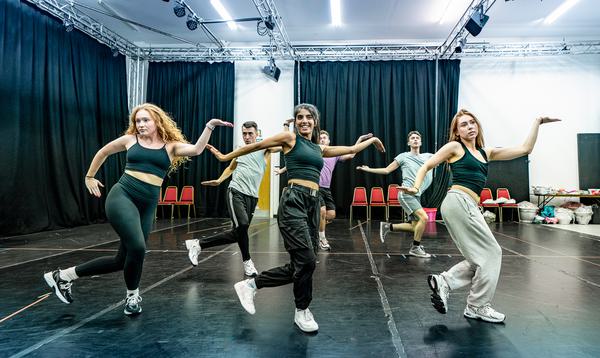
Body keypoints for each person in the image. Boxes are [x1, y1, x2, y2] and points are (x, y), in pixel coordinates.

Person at [207, 103, 385, 332]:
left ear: (315, 120)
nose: (304, 121)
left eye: (308, 117)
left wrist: (371, 141)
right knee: (308, 261)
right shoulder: (289, 139)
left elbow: (350, 148)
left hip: (313, 203)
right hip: (293, 202)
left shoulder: (318, 148)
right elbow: (257, 146)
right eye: (299, 117)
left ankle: (269, 294)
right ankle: (281, 299)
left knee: (303, 265)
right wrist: (224, 158)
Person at [43, 103, 232, 315]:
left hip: (147, 205)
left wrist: (210, 126)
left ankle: (64, 276)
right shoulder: (130, 140)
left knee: (121, 261)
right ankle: (132, 296)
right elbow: (103, 151)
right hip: (122, 196)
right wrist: (89, 176)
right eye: (137, 121)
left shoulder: (170, 146)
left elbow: (197, 149)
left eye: (145, 120)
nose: (140, 124)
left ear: (157, 121)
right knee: (139, 248)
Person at [399, 109, 559, 323]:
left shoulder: (486, 153)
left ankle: (445, 281)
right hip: (458, 200)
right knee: (493, 252)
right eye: (463, 124)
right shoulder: (455, 147)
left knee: (480, 259)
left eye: (472, 122)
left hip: (468, 205)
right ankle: (477, 306)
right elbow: (428, 165)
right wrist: (415, 187)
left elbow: (525, 149)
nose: (469, 126)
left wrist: (537, 121)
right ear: (457, 131)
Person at [184, 121, 280, 277]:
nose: (247, 137)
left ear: (257, 134)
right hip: (235, 191)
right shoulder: (240, 150)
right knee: (242, 225)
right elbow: (230, 167)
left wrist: (286, 127)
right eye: (244, 134)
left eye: (250, 133)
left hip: (252, 196)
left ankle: (198, 244)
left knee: (239, 232)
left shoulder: (265, 148)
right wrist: (219, 180)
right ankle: (247, 261)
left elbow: (282, 144)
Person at [276, 130, 373, 250]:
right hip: (315, 187)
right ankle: (322, 238)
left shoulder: (335, 154)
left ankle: (314, 225)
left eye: (324, 138)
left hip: (326, 189)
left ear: (329, 141)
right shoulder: (315, 151)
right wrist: (281, 170)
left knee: (331, 215)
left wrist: (360, 139)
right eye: (320, 138)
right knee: (321, 212)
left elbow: (352, 153)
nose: (322, 139)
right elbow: (296, 160)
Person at [356, 131, 433, 258]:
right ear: (409, 143)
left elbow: (446, 157)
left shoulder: (429, 156)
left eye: (417, 138)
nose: (415, 140)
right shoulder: (403, 156)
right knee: (424, 218)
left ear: (421, 142)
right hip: (406, 193)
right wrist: (368, 169)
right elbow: (387, 170)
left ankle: (388, 227)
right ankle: (415, 247)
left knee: (415, 226)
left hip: (417, 195)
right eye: (412, 138)